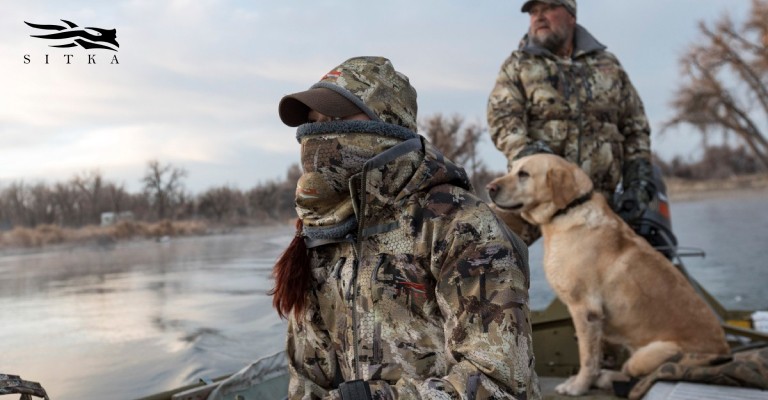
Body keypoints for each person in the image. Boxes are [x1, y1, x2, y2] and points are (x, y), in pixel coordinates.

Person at [271, 56, 540, 400]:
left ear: (388, 123)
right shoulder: (321, 230)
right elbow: (307, 379)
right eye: (314, 121)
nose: (317, 132)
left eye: (334, 119)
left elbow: (500, 382)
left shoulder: (458, 223)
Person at [487, 0, 655, 245]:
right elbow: (502, 120)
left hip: (599, 202)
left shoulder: (608, 65)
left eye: (548, 9)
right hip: (536, 198)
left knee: (628, 269)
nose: (539, 17)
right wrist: (531, 156)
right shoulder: (517, 66)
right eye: (534, 11)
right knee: (482, 240)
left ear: (571, 15)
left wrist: (638, 182)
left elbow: (635, 127)